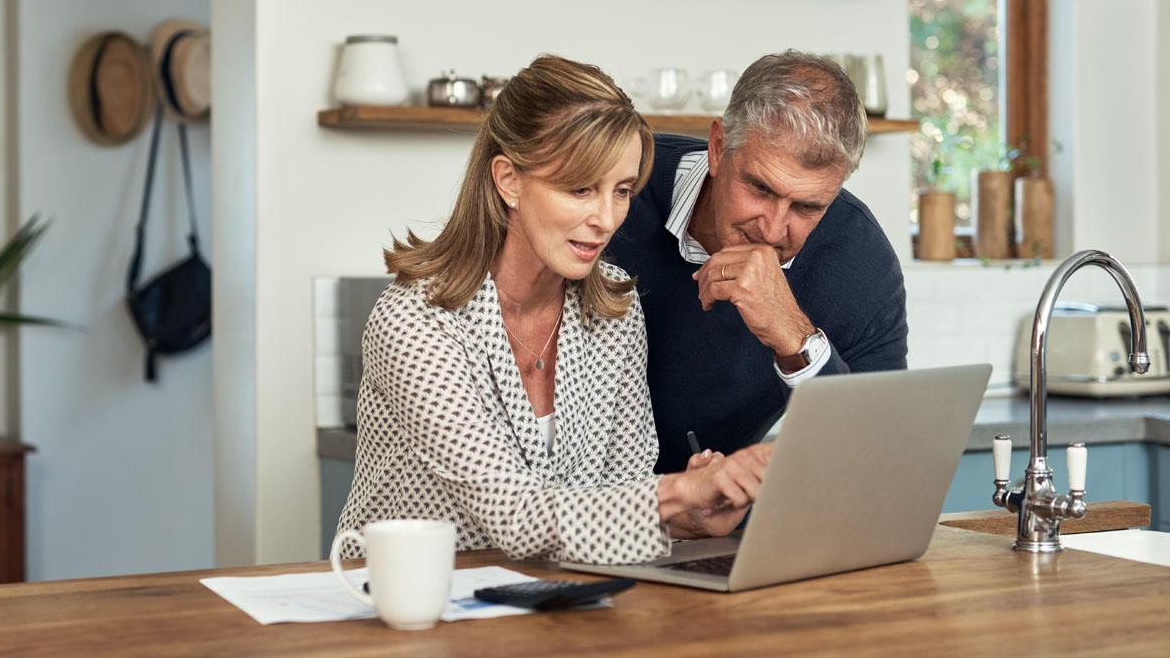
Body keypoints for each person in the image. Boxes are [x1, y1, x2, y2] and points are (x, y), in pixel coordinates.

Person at [336, 55, 773, 565]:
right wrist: (680, 493)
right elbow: (515, 515)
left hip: (553, 607)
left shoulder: (615, 311)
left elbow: (620, 492)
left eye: (623, 191)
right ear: (509, 180)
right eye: (580, 188)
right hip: (411, 609)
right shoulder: (415, 322)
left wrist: (686, 520)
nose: (606, 218)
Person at [608, 50, 908, 476]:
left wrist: (796, 340)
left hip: (716, 519)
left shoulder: (861, 262)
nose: (772, 230)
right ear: (717, 146)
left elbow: (879, 459)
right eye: (760, 189)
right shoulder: (619, 190)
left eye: (806, 207)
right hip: (574, 511)